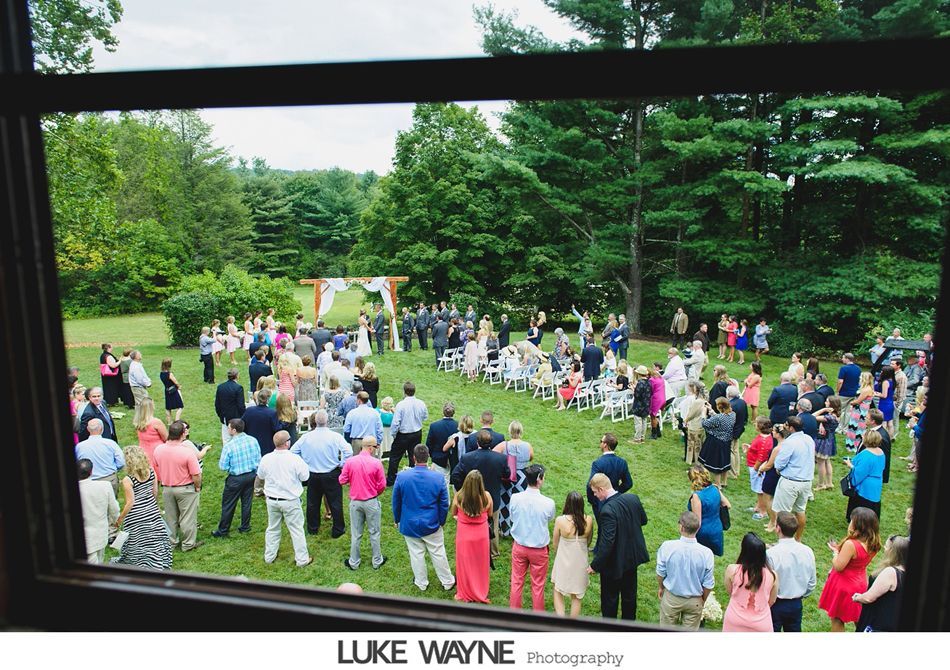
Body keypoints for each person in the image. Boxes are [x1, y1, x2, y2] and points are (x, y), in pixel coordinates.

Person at [393, 445, 456, 592]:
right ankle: (447, 581)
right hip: (432, 522)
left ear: (414, 458)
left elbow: (396, 501)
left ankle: (421, 582)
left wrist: (397, 519)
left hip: (410, 523)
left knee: (416, 554)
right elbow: (444, 503)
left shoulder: (402, 477)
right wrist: (441, 521)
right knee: (438, 552)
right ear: (428, 457)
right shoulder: (438, 478)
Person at [587, 473, 649, 620]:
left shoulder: (607, 511)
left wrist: (595, 566)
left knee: (610, 599)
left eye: (595, 492)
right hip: (631, 558)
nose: (595, 496)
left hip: (613, 563)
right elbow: (643, 520)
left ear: (601, 489)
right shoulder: (632, 498)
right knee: (629, 596)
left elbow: (606, 543)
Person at [818, 507, 881, 632]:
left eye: (852, 521)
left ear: (858, 525)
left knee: (837, 619)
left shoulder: (851, 544)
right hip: (860, 583)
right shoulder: (874, 542)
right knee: (859, 618)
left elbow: (838, 566)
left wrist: (836, 553)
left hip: (844, 585)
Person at [290, 410, 351, 538]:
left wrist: (304, 463)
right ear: (327, 421)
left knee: (313, 502)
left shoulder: (306, 437)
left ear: (314, 422)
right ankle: (338, 529)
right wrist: (342, 463)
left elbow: (293, 451)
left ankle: (313, 528)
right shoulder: (335, 436)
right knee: (335, 502)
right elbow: (348, 451)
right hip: (331, 473)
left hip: (313, 474)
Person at [111, 445, 173, 570]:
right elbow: (155, 492)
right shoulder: (151, 472)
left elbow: (130, 502)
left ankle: (139, 563)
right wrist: (153, 507)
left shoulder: (128, 480)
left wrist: (120, 519)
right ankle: (157, 562)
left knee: (137, 541)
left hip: (136, 516)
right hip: (152, 511)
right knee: (155, 539)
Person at [257, 431, 312, 567]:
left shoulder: (266, 458)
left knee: (273, 528)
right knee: (296, 529)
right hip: (290, 500)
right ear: (287, 443)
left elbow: (261, 475)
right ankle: (302, 559)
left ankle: (269, 556)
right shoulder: (295, 459)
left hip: (272, 499)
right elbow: (305, 477)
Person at [452, 429, 508, 559]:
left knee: (471, 525)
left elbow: (455, 476)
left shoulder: (468, 457)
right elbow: (507, 474)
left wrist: (463, 489)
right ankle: (493, 552)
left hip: (471, 497)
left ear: (477, 442)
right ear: (491, 443)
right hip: (492, 497)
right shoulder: (500, 458)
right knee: (493, 524)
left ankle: (473, 550)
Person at [507, 464, 556, 611]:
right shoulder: (548, 503)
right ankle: (538, 617)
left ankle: (514, 613)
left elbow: (512, 516)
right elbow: (550, 519)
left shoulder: (515, 498)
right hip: (539, 550)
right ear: (539, 480)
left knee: (516, 581)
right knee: (538, 585)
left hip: (520, 546)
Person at [656, 511, 714, 630]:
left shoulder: (667, 547)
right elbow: (708, 583)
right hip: (695, 600)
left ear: (681, 527)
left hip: (672, 597)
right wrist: (702, 599)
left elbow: (660, 572)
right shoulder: (707, 553)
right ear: (697, 529)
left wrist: (661, 587)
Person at [339, 435, 387, 571]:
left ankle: (354, 562)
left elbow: (342, 480)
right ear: (371, 448)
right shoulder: (376, 463)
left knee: (356, 533)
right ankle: (377, 561)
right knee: (374, 533)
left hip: (355, 502)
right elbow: (382, 484)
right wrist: (375, 492)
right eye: (376, 447)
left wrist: (352, 482)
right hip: (371, 501)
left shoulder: (350, 462)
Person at [153, 421, 202, 552]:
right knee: (188, 518)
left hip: (167, 488)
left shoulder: (159, 449)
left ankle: (172, 542)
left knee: (170, 517)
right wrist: (197, 487)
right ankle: (188, 544)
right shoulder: (187, 452)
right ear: (182, 434)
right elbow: (196, 474)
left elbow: (157, 465)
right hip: (185, 488)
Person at [766, 512, 817, 632]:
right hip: (796, 603)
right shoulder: (807, 551)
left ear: (778, 528)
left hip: (775, 604)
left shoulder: (771, 554)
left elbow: (766, 582)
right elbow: (812, 582)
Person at [212, 418, 261, 537]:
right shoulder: (253, 440)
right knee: (247, 502)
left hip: (235, 478)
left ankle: (223, 530)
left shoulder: (229, 446)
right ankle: (245, 526)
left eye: (228, 427)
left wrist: (230, 468)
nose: (227, 429)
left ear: (233, 430)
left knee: (229, 504)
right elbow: (259, 458)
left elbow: (222, 466)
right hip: (251, 475)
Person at [449, 470, 492, 603]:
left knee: (464, 563)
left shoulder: (459, 497)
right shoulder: (486, 497)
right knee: (480, 563)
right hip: (481, 535)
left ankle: (465, 591)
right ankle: (479, 590)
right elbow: (490, 514)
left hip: (464, 534)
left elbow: (453, 513)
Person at [770, 416, 815, 541]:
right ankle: (798, 539)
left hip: (790, 481)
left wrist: (779, 469)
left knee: (782, 514)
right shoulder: (809, 439)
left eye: (786, 425)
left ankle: (783, 542)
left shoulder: (789, 442)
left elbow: (779, 463)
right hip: (806, 481)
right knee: (800, 511)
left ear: (791, 427)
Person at [722, 532, 778, 632]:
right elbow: (772, 600)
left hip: (735, 618)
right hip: (761, 622)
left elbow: (730, 591)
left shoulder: (732, 570)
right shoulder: (772, 575)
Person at [551, 491, 593, 617]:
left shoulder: (560, 520)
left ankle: (561, 620)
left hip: (564, 559)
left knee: (558, 590)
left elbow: (555, 543)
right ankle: (571, 624)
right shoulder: (589, 520)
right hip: (580, 560)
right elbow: (589, 541)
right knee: (577, 595)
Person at [854, 535, 909, 632]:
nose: (884, 548)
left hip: (878, 623)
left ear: (893, 552)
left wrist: (857, 597)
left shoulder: (891, 572)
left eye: (887, 546)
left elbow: (869, 598)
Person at [494, 421, 534, 538]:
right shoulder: (527, 445)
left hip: (507, 476)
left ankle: (505, 529)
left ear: (510, 431)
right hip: (522, 476)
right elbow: (531, 457)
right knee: (521, 503)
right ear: (521, 431)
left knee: (505, 501)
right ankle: (519, 528)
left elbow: (493, 455)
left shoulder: (503, 445)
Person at [386, 382, 429, 486]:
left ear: (404, 392)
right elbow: (425, 416)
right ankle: (413, 477)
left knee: (395, 457)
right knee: (413, 456)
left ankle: (391, 480)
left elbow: (396, 422)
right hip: (416, 433)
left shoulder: (401, 405)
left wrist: (393, 434)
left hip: (403, 434)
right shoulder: (421, 403)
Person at [77, 459, 119, 564]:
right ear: (91, 472)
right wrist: (116, 520)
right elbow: (114, 509)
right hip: (100, 534)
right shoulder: (104, 486)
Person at [586, 433, 632, 522]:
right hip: (616, 500)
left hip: (600, 501)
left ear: (605, 445)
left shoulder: (598, 463)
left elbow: (590, 485)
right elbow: (628, 483)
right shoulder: (622, 462)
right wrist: (617, 491)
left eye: (601, 441)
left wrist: (593, 501)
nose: (600, 444)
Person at [687, 465, 729, 557]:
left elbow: (697, 521)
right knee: (710, 559)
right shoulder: (715, 488)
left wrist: (689, 539)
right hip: (716, 529)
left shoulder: (697, 496)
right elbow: (727, 505)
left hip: (704, 532)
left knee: (699, 559)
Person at [74, 418, 124, 495]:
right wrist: (112, 470)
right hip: (109, 480)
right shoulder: (111, 444)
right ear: (102, 429)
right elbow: (121, 462)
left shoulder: (79, 447)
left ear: (88, 429)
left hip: (89, 482)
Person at [844, 429, 886, 522]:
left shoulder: (866, 454)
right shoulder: (881, 452)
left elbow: (859, 473)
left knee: (863, 509)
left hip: (865, 487)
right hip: (876, 484)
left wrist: (850, 465)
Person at [698, 397, 735, 488]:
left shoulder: (719, 418)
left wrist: (703, 414)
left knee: (716, 463)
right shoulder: (732, 414)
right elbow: (720, 419)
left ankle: (718, 484)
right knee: (724, 462)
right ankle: (724, 482)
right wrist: (711, 410)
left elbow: (705, 423)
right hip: (726, 441)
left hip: (716, 441)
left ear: (720, 407)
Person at [242, 388, 280, 460]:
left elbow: (243, 426)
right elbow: (276, 429)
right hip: (267, 445)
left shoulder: (249, 410)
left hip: (251, 444)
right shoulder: (272, 413)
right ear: (268, 399)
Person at [813, 396, 841, 490]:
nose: (825, 402)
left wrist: (823, 409)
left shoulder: (828, 417)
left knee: (820, 462)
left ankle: (821, 484)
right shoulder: (836, 416)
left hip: (824, 440)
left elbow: (812, 416)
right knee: (827, 461)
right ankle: (829, 482)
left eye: (827, 402)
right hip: (831, 439)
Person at [134, 396, 168, 472]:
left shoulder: (138, 422)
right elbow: (166, 437)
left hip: (143, 449)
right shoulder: (156, 422)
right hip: (156, 449)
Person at [845, 371, 875, 451]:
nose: (859, 378)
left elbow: (858, 401)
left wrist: (851, 402)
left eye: (861, 377)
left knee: (857, 427)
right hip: (860, 408)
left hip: (860, 410)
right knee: (856, 427)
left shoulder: (866, 390)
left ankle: (854, 445)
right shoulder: (866, 388)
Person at [727, 385, 748, 480]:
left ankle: (732, 473)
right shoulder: (742, 402)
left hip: (731, 431)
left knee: (730, 451)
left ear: (728, 394)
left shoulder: (730, 406)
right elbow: (746, 417)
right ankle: (737, 470)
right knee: (735, 451)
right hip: (739, 430)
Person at [836, 352, 862, 424]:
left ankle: (839, 427)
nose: (842, 359)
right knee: (848, 411)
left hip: (844, 392)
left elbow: (840, 381)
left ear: (847, 359)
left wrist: (837, 391)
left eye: (843, 358)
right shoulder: (858, 369)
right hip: (854, 392)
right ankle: (845, 428)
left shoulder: (843, 368)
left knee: (840, 410)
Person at [630, 365, 652, 444]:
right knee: (644, 421)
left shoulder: (640, 383)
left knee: (638, 423)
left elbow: (637, 395)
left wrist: (633, 389)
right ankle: (642, 437)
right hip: (646, 405)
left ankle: (637, 439)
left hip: (639, 406)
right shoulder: (649, 382)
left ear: (639, 374)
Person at [159, 358, 184, 424]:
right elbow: (175, 382)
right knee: (180, 406)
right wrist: (179, 386)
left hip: (167, 391)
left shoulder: (161, 374)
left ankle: (169, 422)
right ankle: (177, 420)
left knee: (168, 407)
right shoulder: (169, 374)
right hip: (173, 391)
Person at [874, 365, 896, 437]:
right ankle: (890, 437)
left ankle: (883, 438)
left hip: (884, 404)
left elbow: (884, 395)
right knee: (890, 423)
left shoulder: (885, 382)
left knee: (883, 422)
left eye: (882, 371)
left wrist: (875, 394)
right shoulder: (892, 381)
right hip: (890, 403)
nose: (881, 372)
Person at [648, 365, 666, 440]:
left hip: (656, 399)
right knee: (656, 415)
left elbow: (650, 390)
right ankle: (658, 432)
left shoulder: (652, 380)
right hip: (663, 398)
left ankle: (654, 433)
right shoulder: (661, 379)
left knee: (653, 416)